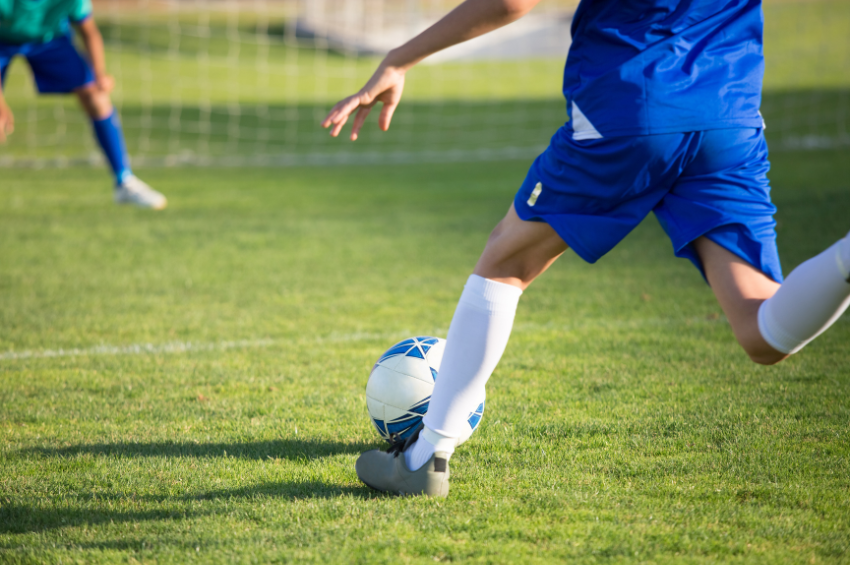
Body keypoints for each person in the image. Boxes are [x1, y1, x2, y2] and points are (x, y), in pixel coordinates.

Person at [322, 0, 850, 497]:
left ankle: (424, 459)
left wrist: (399, 58)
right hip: (729, 118)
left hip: (629, 106)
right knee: (763, 331)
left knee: (507, 261)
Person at [0, 0, 166, 209]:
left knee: (97, 97)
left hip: (49, 40)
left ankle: (125, 181)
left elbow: (89, 32)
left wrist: (100, 74)